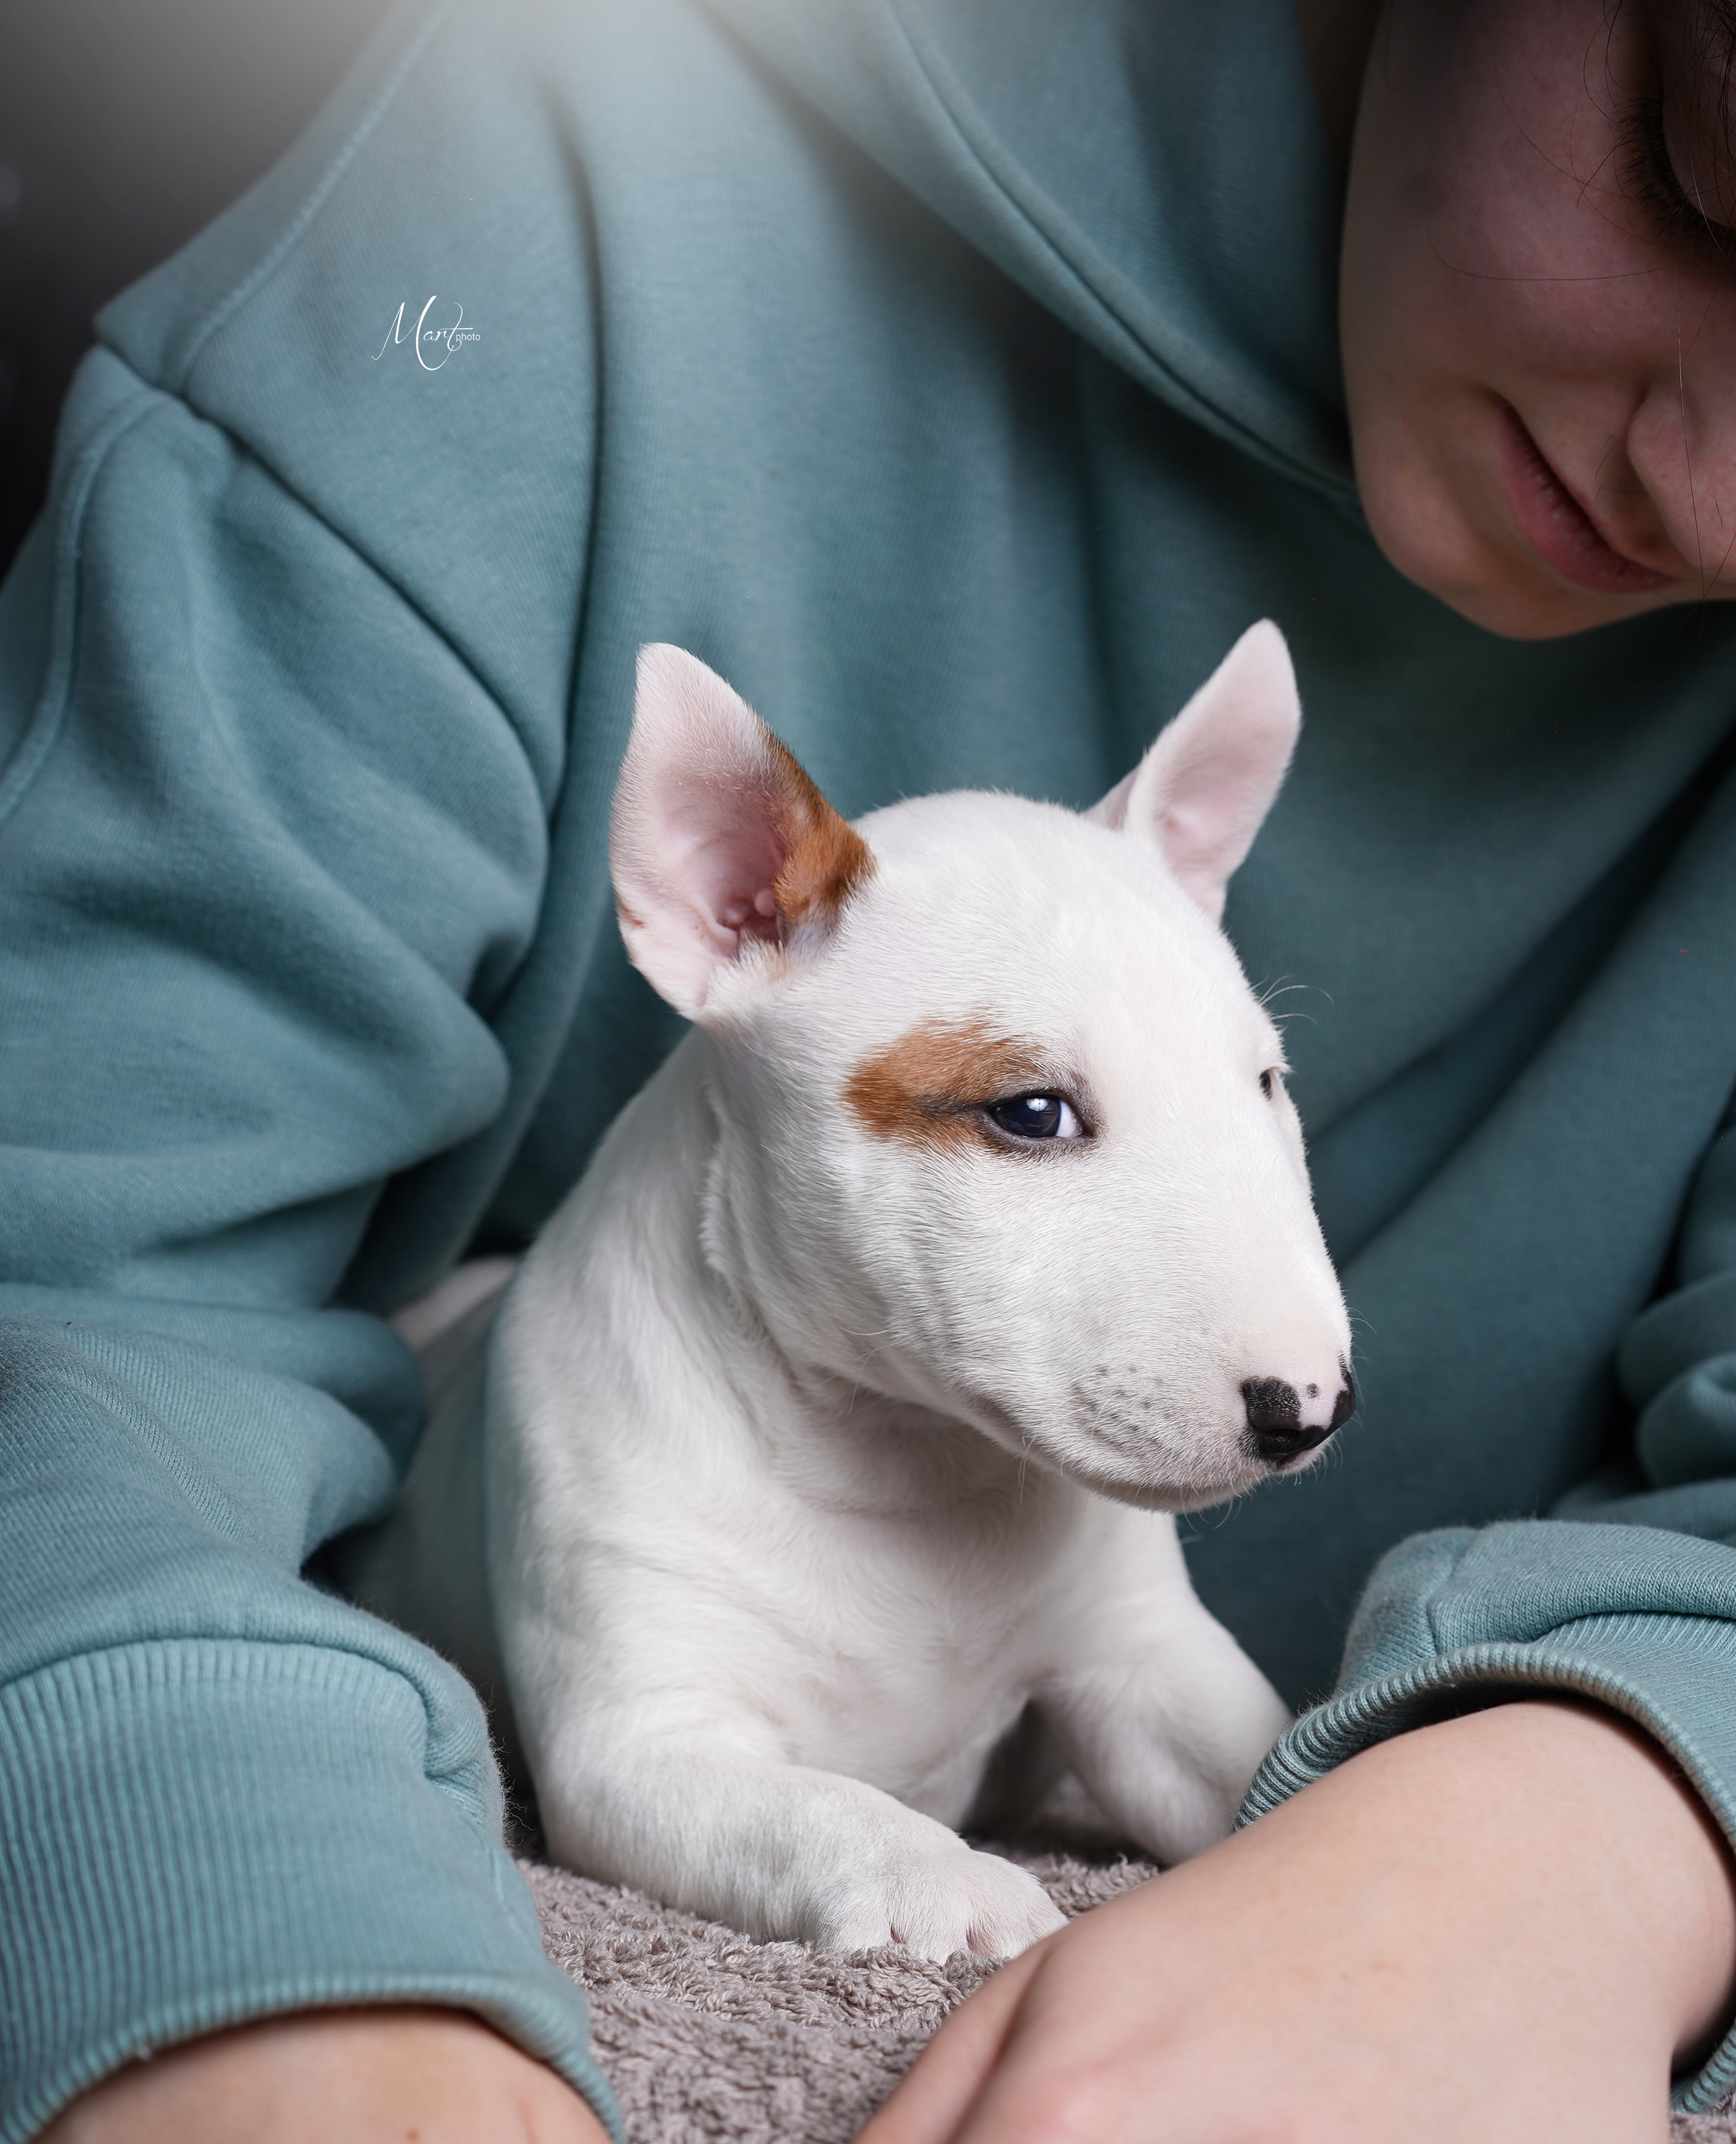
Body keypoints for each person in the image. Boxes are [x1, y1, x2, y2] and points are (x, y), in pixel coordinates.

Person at [9, 0, 1736, 2137]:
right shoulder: (513, 233)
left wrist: (1508, 1865)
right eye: (1703, 166)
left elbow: (1159, 1689)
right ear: (716, 904)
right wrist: (220, 1908)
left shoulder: (1116, 1061)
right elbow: (78, 1311)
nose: (1712, 483)